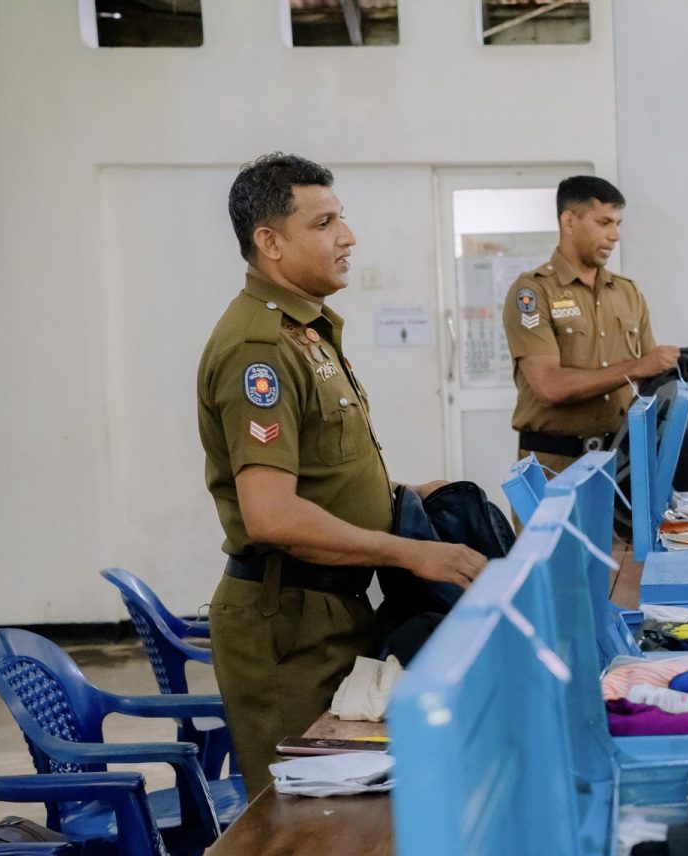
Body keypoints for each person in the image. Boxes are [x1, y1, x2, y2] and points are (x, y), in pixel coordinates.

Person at [197, 153, 487, 795]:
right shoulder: (259, 349)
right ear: (270, 242)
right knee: (306, 819)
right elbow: (271, 516)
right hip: (289, 626)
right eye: (324, 223)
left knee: (348, 806)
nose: (347, 237)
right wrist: (410, 552)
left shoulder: (306, 333)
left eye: (341, 219)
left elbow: (321, 473)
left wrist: (402, 495)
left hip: (331, 607)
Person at [505, 176, 680, 476]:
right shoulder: (533, 292)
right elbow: (549, 386)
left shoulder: (628, 293)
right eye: (604, 223)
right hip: (554, 467)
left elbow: (652, 381)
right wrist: (636, 368)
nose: (615, 235)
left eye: (618, 224)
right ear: (569, 222)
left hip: (620, 464)